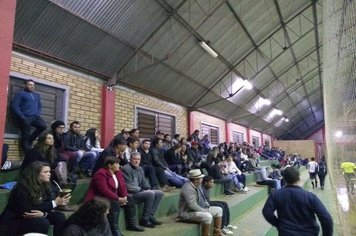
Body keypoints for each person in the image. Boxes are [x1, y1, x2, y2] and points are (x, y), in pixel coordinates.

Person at [0, 162, 69, 236]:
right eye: (46, 172)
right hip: (16, 220)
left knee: (59, 216)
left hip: (36, 214)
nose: (49, 174)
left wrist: (44, 214)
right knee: (42, 223)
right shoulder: (23, 187)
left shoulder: (45, 185)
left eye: (49, 171)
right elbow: (27, 211)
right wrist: (54, 203)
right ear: (36, 174)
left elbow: (47, 206)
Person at [262, 167, 333, 236]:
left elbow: (267, 212)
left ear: (284, 179)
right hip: (309, 233)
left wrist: (278, 224)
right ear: (299, 178)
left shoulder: (275, 195)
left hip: (286, 232)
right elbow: (326, 218)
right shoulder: (310, 197)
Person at [85, 157, 144, 236]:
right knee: (114, 203)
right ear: (110, 165)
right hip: (98, 197)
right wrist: (117, 198)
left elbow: (122, 186)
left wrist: (124, 196)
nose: (119, 166)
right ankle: (114, 230)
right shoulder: (100, 174)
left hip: (112, 196)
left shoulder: (118, 172)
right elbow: (103, 190)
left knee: (130, 200)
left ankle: (131, 224)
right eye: (117, 164)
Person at [121, 152, 164, 228]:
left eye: (138, 159)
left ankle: (150, 216)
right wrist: (143, 190)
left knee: (159, 193)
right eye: (134, 159)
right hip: (130, 194)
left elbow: (144, 180)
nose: (137, 161)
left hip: (139, 191)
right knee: (150, 194)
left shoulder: (140, 168)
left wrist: (147, 188)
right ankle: (144, 219)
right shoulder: (125, 169)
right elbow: (128, 186)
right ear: (130, 159)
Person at [177, 169, 225, 236]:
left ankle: (217, 232)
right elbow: (192, 205)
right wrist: (204, 210)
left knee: (219, 210)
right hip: (187, 213)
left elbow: (204, 198)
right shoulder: (188, 188)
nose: (202, 179)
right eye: (201, 178)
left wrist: (207, 206)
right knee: (208, 216)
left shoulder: (198, 185)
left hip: (200, 209)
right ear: (196, 179)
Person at [11, 79, 47, 152]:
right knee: (25, 135)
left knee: (43, 126)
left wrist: (37, 114)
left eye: (33, 85)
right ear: (24, 85)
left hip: (35, 117)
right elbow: (15, 106)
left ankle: (30, 140)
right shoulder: (20, 93)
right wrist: (21, 116)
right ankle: (27, 153)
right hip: (25, 117)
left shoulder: (37, 95)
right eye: (30, 85)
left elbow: (39, 106)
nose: (32, 86)